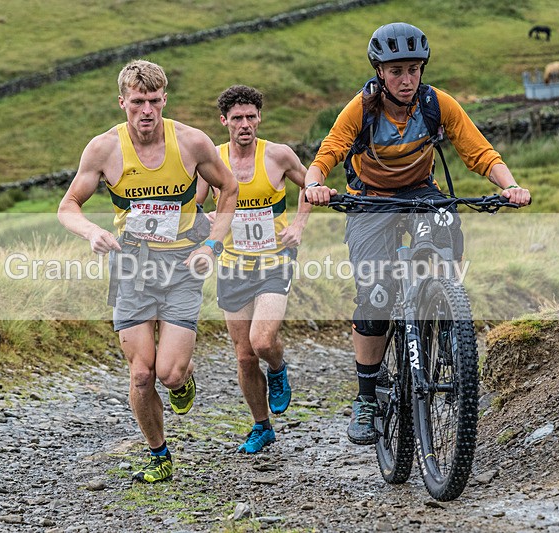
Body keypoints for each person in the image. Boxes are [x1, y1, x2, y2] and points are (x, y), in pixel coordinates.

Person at [304, 23, 531, 445]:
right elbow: (330, 150)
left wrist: (509, 185)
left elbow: (477, 150)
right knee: (375, 293)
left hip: (421, 193)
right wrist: (315, 182)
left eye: (413, 69)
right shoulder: (362, 108)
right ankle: (367, 397)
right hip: (370, 199)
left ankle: (445, 316)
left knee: (444, 232)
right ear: (379, 72)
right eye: (396, 72)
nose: (406, 80)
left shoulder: (435, 104)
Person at [58, 59, 238, 483]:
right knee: (141, 373)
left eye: (154, 101)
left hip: (182, 266)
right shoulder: (103, 149)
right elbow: (68, 206)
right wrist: (90, 232)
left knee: (168, 372)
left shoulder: (192, 143)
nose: (146, 111)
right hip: (132, 267)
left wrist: (213, 243)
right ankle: (159, 455)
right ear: (123, 102)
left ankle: (183, 380)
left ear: (164, 100)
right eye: (138, 101)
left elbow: (229, 189)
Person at [196, 85, 310, 453]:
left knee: (262, 342)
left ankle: (277, 369)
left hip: (274, 261)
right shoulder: (212, 159)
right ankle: (262, 426)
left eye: (251, 117)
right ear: (224, 121)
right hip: (232, 266)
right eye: (237, 118)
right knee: (244, 356)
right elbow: (191, 205)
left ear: (259, 117)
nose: (245, 124)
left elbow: (312, 184)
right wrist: (205, 218)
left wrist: (297, 226)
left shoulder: (278, 156)